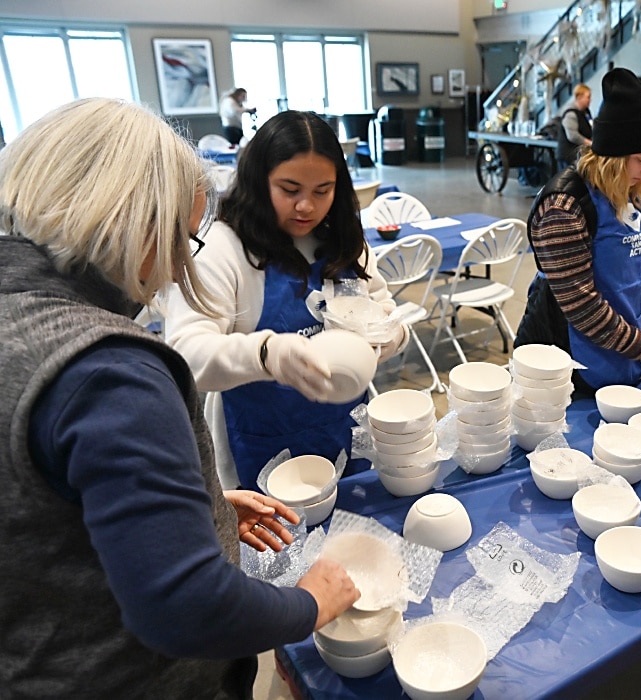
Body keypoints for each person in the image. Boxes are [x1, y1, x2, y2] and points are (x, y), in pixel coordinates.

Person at [0, 98, 361, 697]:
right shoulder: (107, 371)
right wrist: (306, 604)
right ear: (120, 217)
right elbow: (186, 606)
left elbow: (51, 503)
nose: (173, 271)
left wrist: (199, 509)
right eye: (176, 238)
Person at [165, 110, 405, 491]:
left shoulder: (342, 241)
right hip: (261, 445)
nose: (306, 207)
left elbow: (381, 305)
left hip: (346, 433)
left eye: (322, 191)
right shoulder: (223, 249)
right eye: (289, 190)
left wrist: (392, 336)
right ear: (260, 182)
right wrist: (267, 355)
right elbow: (184, 357)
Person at [515, 67, 641, 398]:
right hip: (571, 362)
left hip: (621, 349)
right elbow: (580, 303)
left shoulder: (627, 189)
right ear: (611, 158)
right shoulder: (564, 207)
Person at [555, 83, 593, 170]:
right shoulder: (570, 113)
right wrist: (590, 143)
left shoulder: (586, 112)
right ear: (579, 97)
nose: (590, 100)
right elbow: (572, 136)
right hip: (568, 157)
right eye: (588, 97)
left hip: (579, 155)